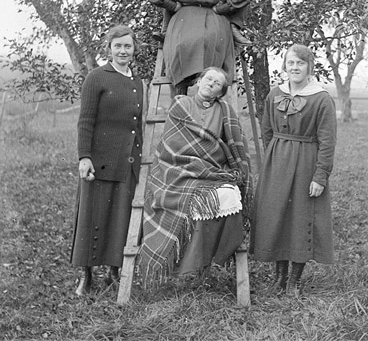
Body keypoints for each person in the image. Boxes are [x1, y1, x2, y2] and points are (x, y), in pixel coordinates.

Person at [138, 67, 253, 284]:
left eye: (217, 83)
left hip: (210, 172)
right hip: (177, 170)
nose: (211, 84)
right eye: (208, 79)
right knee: (193, 200)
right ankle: (187, 266)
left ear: (220, 92)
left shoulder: (225, 111)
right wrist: (199, 159)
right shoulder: (181, 104)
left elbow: (230, 146)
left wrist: (216, 161)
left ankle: (208, 260)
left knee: (227, 195)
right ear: (199, 81)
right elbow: (173, 144)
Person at [250, 44, 337, 295]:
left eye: (300, 63)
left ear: (309, 67)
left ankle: (294, 282)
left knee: (300, 218)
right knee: (277, 216)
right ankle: (279, 278)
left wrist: (320, 176)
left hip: (306, 164)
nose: (295, 68)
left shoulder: (321, 99)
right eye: (291, 63)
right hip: (277, 163)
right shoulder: (275, 94)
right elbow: (267, 130)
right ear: (285, 67)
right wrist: (275, 156)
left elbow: (328, 141)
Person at [70, 25, 144, 296]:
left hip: (127, 162)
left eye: (127, 46)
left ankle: (114, 272)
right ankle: (86, 275)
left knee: (120, 218)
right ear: (109, 49)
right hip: (98, 163)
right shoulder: (97, 77)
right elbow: (85, 121)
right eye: (118, 46)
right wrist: (84, 157)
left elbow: (137, 125)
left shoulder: (139, 83)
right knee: (92, 217)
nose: (123, 51)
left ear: (134, 49)